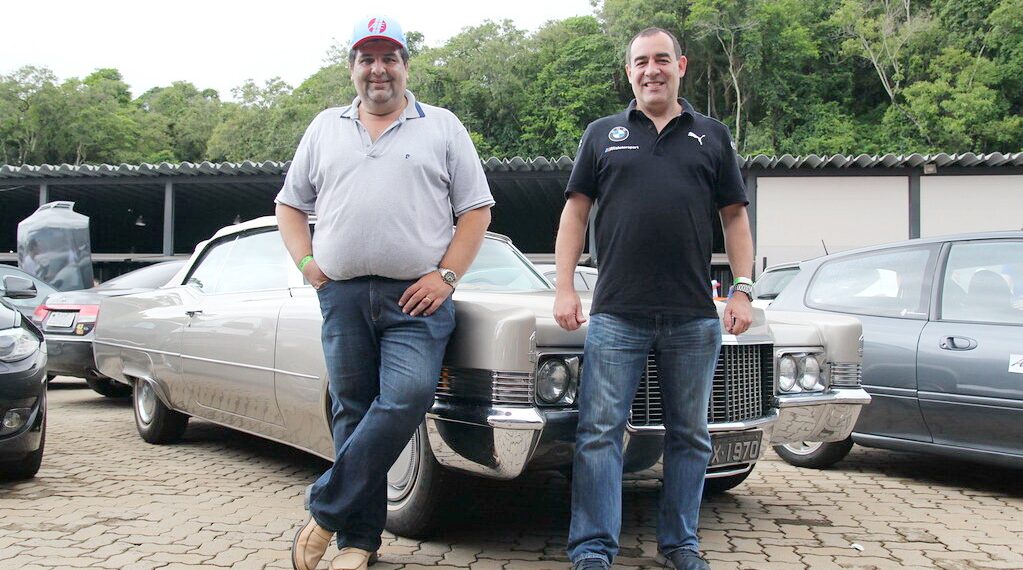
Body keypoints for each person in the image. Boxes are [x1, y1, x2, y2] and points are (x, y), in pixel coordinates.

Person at [275, 15, 493, 570]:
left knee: (407, 396)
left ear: (405, 66)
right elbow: (290, 206)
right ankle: (358, 543)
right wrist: (308, 264)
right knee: (351, 412)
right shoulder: (324, 127)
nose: (379, 69)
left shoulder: (442, 126)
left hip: (417, 300)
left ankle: (325, 510)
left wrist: (446, 276)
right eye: (367, 58)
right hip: (343, 297)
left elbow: (476, 211)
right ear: (352, 68)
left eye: (389, 57)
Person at [553, 27, 755, 570]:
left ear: (680, 66)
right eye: (641, 61)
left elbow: (735, 217)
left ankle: (680, 545)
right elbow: (575, 212)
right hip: (617, 313)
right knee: (599, 434)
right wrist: (564, 286)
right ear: (629, 72)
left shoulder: (712, 136)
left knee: (690, 436)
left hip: (693, 317)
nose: (651, 70)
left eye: (662, 59)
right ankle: (593, 549)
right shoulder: (602, 134)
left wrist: (742, 289)